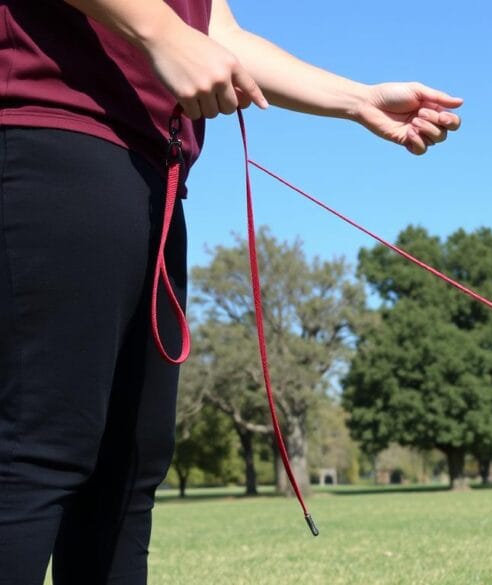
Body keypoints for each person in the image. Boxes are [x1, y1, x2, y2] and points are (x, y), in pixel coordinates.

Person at [0, 0, 462, 583]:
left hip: (151, 174)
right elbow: (183, 32)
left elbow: (217, 32)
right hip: (52, 138)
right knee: (36, 454)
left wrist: (356, 99)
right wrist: (161, 33)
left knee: (128, 472)